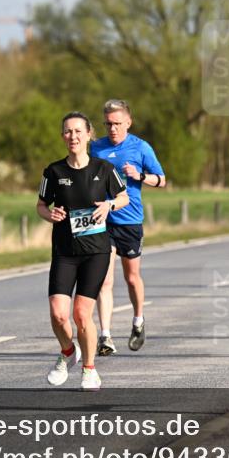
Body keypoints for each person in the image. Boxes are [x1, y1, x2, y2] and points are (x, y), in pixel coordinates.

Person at [38, 112, 129, 392]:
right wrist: (50, 214)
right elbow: (41, 205)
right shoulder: (54, 172)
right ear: (62, 136)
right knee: (58, 314)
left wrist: (109, 205)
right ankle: (68, 352)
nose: (73, 136)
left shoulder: (104, 168)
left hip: (96, 252)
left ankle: (89, 368)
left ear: (89, 135)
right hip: (64, 251)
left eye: (78, 131)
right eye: (68, 131)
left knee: (81, 314)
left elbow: (123, 197)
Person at [90, 100, 166, 356]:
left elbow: (162, 180)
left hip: (130, 221)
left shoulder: (141, 147)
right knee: (104, 280)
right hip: (103, 220)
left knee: (131, 278)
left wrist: (140, 176)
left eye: (117, 124)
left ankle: (138, 320)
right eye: (108, 124)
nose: (112, 129)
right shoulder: (96, 148)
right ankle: (105, 336)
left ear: (128, 123)